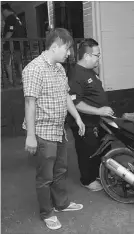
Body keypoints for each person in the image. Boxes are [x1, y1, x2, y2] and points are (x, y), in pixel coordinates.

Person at [22, 28, 86, 230]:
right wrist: (30, 136)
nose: (69, 54)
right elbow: (29, 103)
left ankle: (61, 204)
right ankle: (47, 212)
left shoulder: (59, 68)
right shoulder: (33, 69)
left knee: (60, 170)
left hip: (59, 130)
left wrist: (77, 117)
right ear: (56, 46)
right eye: (67, 49)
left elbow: (66, 95)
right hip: (42, 132)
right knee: (45, 177)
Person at [67, 38, 114, 192]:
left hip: (97, 121)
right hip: (84, 123)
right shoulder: (76, 74)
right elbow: (76, 102)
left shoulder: (89, 71)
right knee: (87, 151)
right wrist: (99, 111)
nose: (99, 58)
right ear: (87, 56)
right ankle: (87, 180)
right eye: (97, 55)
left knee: (100, 149)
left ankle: (99, 173)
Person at [1, 3, 26, 86]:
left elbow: (10, 31)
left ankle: (11, 81)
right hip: (18, 44)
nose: (2, 14)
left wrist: (3, 41)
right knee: (19, 62)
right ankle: (22, 79)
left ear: (5, 10)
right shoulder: (16, 17)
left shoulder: (10, 18)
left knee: (8, 63)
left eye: (2, 12)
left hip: (11, 45)